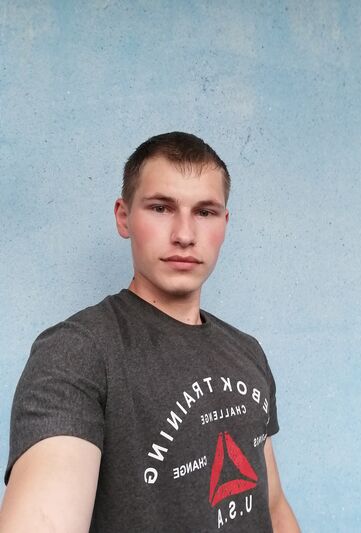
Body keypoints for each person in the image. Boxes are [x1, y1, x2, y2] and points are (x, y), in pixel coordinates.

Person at [0, 132, 300, 532]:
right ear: (123, 217)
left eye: (205, 212)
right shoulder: (77, 353)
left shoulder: (247, 351)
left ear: (225, 224)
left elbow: (273, 507)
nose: (184, 234)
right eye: (161, 208)